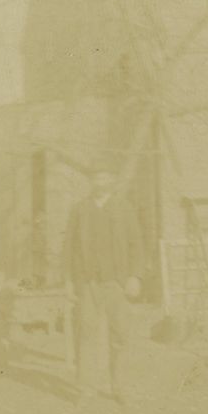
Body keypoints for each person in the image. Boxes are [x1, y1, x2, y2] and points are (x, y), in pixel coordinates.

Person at [63, 158, 144, 401]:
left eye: (106, 177)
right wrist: (68, 281)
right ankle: (86, 388)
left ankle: (120, 387)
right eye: (96, 177)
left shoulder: (124, 208)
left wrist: (135, 276)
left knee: (121, 335)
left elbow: (136, 244)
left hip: (116, 283)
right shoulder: (79, 210)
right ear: (91, 181)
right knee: (86, 334)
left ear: (112, 181)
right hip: (88, 284)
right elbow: (69, 248)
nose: (101, 181)